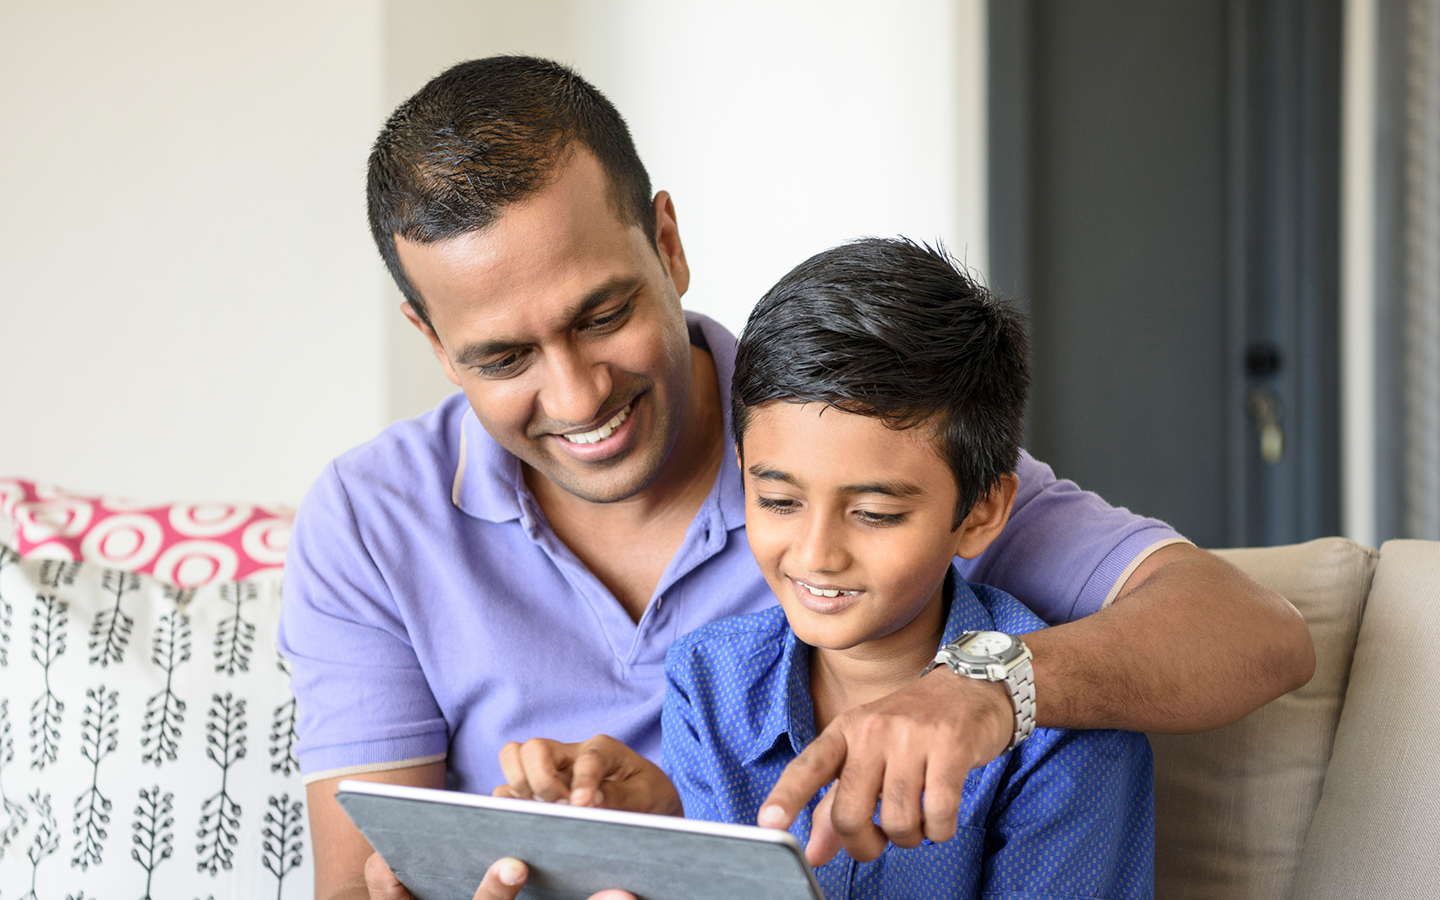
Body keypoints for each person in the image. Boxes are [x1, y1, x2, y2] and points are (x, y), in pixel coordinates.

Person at [276, 55, 1313, 900]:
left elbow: (1258, 636)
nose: (579, 392)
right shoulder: (374, 521)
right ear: (430, 336)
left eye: (602, 315)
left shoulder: (851, 436)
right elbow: (361, 880)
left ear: (667, 244)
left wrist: (990, 688)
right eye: (502, 358)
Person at [498, 236, 1155, 900]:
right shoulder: (708, 680)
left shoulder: (1061, 733)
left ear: (982, 511)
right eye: (779, 501)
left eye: (874, 513)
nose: (815, 554)